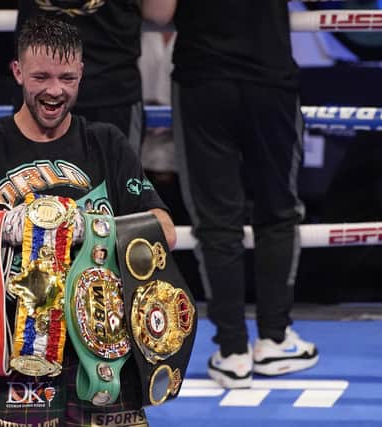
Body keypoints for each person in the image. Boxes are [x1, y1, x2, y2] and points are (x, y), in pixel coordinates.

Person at [0, 15, 176, 427]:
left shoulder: (105, 142)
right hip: (5, 344)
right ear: (17, 72)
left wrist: (92, 230)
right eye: (41, 76)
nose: (54, 91)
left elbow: (164, 229)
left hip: (98, 344)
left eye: (67, 77)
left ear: (81, 73)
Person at [146, 1, 319, 388]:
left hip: (203, 79)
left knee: (216, 218)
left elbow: (158, 12)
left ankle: (233, 353)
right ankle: (273, 339)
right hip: (268, 75)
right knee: (278, 210)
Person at [13, 0, 177, 155]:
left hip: (43, 85)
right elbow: (159, 14)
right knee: (114, 182)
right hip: (111, 86)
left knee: (37, 180)